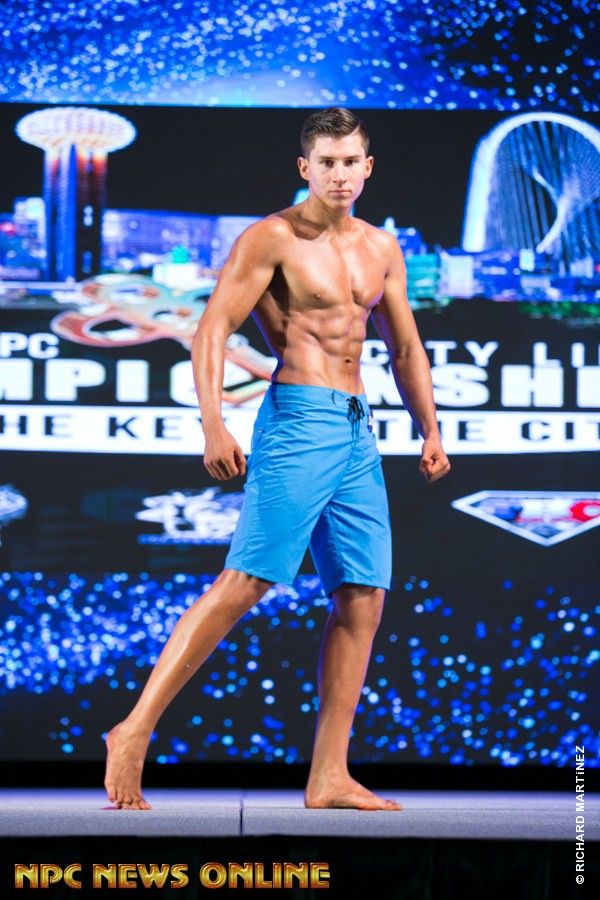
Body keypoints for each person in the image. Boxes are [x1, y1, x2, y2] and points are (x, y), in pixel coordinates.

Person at [104, 107, 450, 812]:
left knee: (364, 594)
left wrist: (431, 430)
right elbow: (212, 328)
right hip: (298, 419)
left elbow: (405, 347)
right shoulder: (272, 238)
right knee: (246, 581)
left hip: (357, 429)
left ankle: (329, 775)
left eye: (350, 162)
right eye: (327, 163)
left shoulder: (382, 247)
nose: (339, 175)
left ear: (367, 167)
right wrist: (213, 424)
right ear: (305, 168)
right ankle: (134, 729)